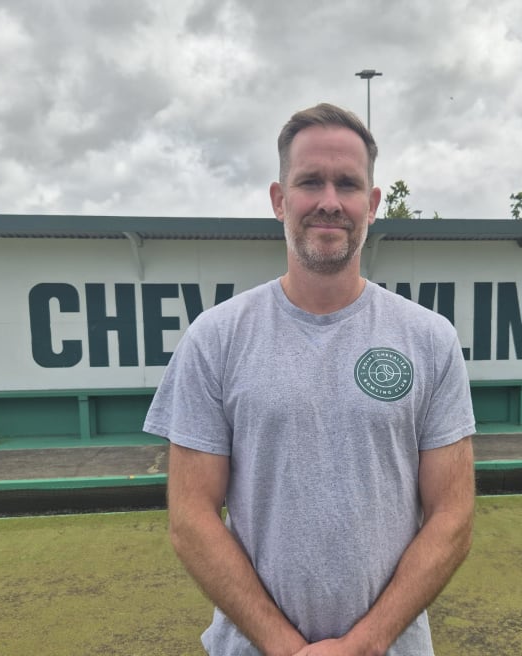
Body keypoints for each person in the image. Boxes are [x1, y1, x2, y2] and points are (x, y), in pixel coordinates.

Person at [144, 102, 476, 656]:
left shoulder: (429, 339)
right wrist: (283, 647)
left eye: (347, 184)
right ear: (280, 200)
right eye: (309, 182)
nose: (329, 201)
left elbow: (453, 517)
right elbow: (191, 518)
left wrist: (367, 644)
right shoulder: (217, 337)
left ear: (371, 204)